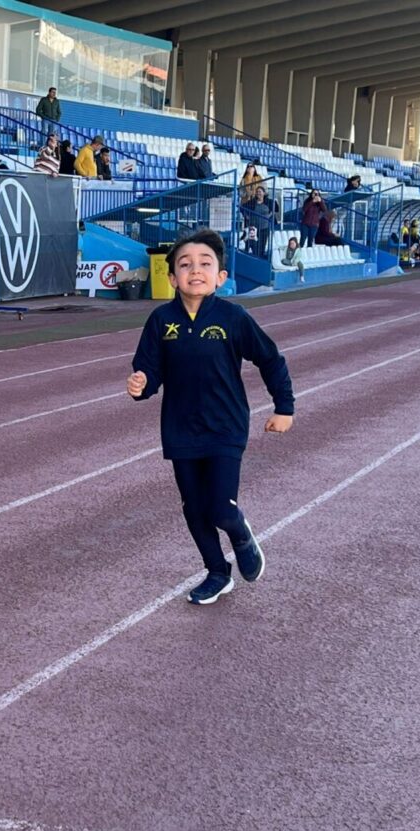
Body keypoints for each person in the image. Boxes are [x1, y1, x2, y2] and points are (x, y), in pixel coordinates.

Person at [126, 228, 294, 605]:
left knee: (220, 506)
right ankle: (218, 571)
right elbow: (149, 369)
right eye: (185, 265)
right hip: (180, 428)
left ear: (220, 276)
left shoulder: (233, 317)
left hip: (226, 425)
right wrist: (142, 383)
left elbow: (269, 358)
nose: (195, 270)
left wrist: (284, 406)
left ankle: (240, 532)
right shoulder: (160, 320)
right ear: (172, 278)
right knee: (193, 506)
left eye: (205, 264)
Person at [240, 184, 273, 257]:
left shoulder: (268, 202)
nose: (258, 193)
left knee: (262, 245)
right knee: (254, 245)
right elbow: (242, 208)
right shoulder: (252, 202)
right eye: (257, 192)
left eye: (260, 191)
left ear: (264, 193)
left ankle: (261, 259)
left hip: (264, 227)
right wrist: (246, 216)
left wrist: (270, 215)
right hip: (254, 228)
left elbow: (276, 209)